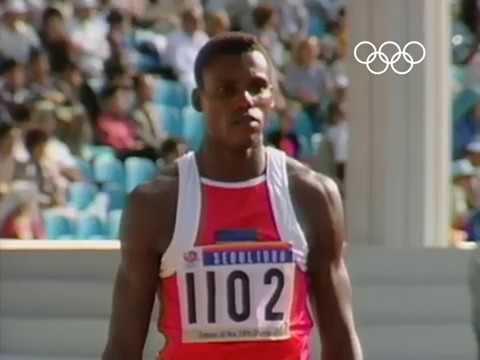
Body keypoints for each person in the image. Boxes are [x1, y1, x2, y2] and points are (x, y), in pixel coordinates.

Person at [103, 32, 363, 360]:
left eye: (257, 87)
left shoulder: (313, 196)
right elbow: (123, 347)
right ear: (199, 100)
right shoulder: (156, 204)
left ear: (272, 95)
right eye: (227, 90)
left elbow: (341, 338)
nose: (245, 100)